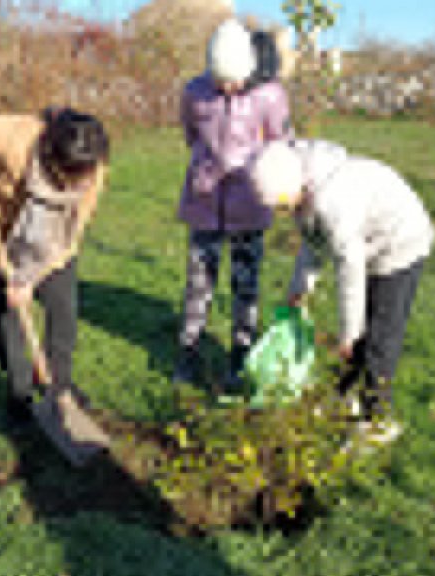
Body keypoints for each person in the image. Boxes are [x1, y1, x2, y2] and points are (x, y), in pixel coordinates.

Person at [0, 85, 109, 425]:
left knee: (63, 309)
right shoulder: (12, 139)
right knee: (7, 314)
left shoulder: (92, 170)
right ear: (51, 159)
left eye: (83, 178)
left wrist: (31, 277)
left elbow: (69, 237)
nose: (79, 186)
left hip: (53, 240)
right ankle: (20, 394)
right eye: (69, 178)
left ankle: (59, 387)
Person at [249, 139, 435, 445]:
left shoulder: (333, 201)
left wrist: (349, 333)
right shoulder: (301, 184)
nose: (283, 213)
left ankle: (378, 421)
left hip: (400, 242)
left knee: (380, 338)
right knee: (359, 336)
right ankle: (343, 397)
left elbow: (350, 270)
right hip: (368, 243)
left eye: (282, 206)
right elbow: (313, 243)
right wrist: (299, 290)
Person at [174, 18, 292, 392]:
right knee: (198, 283)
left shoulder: (270, 95)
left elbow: (281, 145)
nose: (227, 87)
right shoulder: (194, 92)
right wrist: (205, 167)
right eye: (220, 80)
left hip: (249, 204)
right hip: (205, 201)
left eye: (235, 80)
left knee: (246, 284)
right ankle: (188, 350)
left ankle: (241, 352)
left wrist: (261, 175)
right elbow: (190, 134)